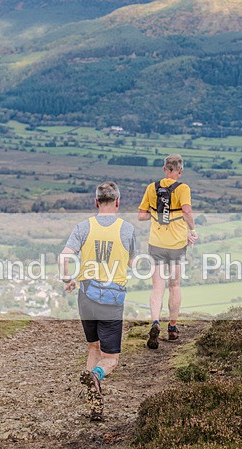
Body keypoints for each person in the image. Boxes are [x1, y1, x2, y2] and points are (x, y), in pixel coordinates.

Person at [60, 181, 137, 421]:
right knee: (111, 358)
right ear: (117, 202)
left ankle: (92, 399)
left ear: (95, 202)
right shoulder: (127, 229)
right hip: (112, 299)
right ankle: (97, 375)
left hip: (86, 296)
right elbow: (133, 263)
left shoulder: (83, 227)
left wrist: (68, 279)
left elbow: (65, 255)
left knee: (93, 347)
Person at [138, 154, 197, 350]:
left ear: (164, 169)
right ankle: (172, 327)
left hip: (156, 243)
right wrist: (192, 230)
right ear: (180, 171)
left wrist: (157, 214)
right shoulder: (183, 188)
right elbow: (187, 211)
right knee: (175, 285)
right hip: (177, 245)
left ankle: (155, 321)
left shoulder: (151, 188)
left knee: (157, 287)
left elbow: (141, 216)